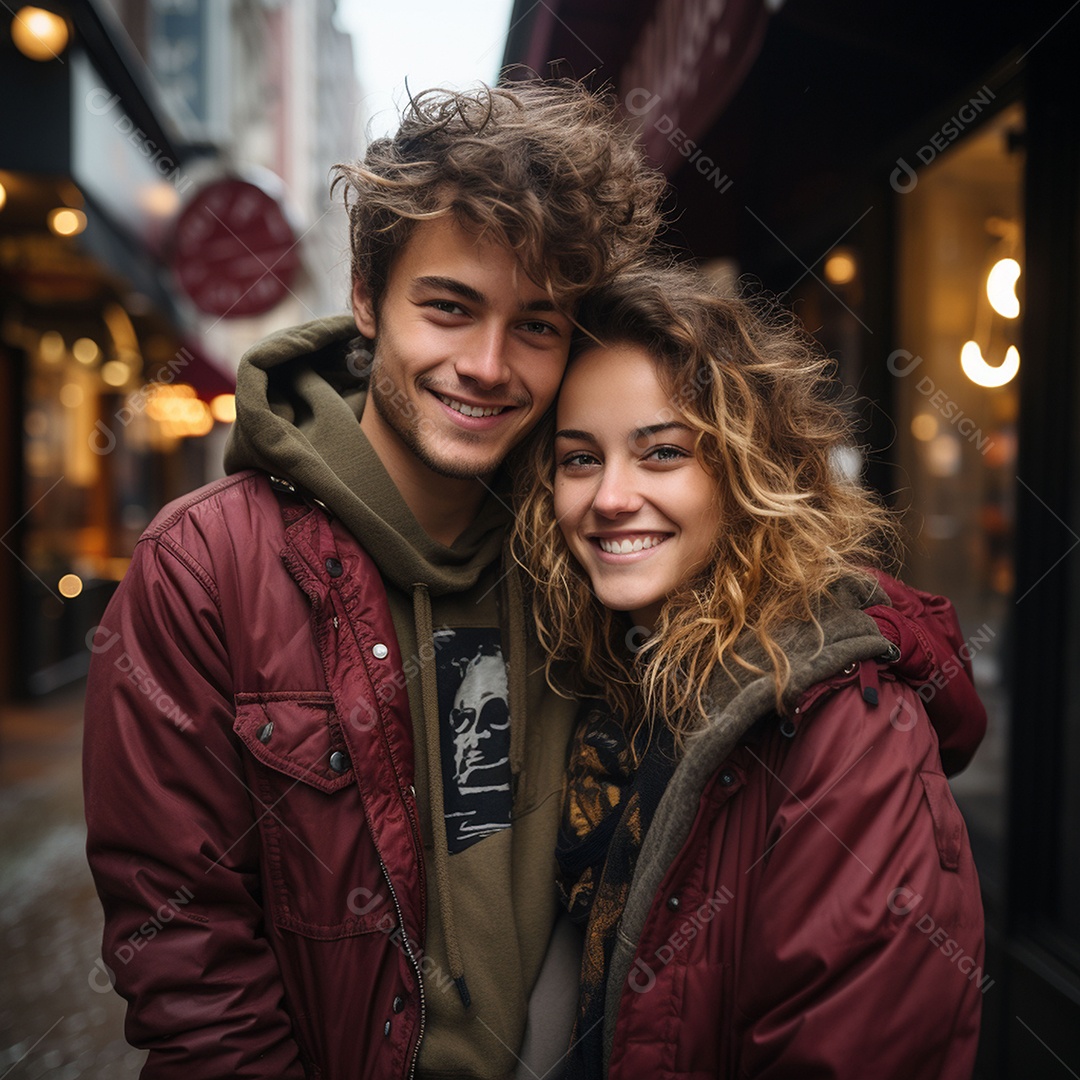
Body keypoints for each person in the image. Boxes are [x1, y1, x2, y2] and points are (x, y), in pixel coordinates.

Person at [82, 82, 665, 1079]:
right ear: (366, 296)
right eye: (449, 308)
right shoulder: (206, 568)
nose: (487, 365)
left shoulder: (590, 541)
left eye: (535, 326)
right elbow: (191, 964)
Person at [512, 263, 988, 1079]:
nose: (610, 497)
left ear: (747, 471)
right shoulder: (610, 681)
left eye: (663, 453)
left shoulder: (850, 727)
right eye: (580, 459)